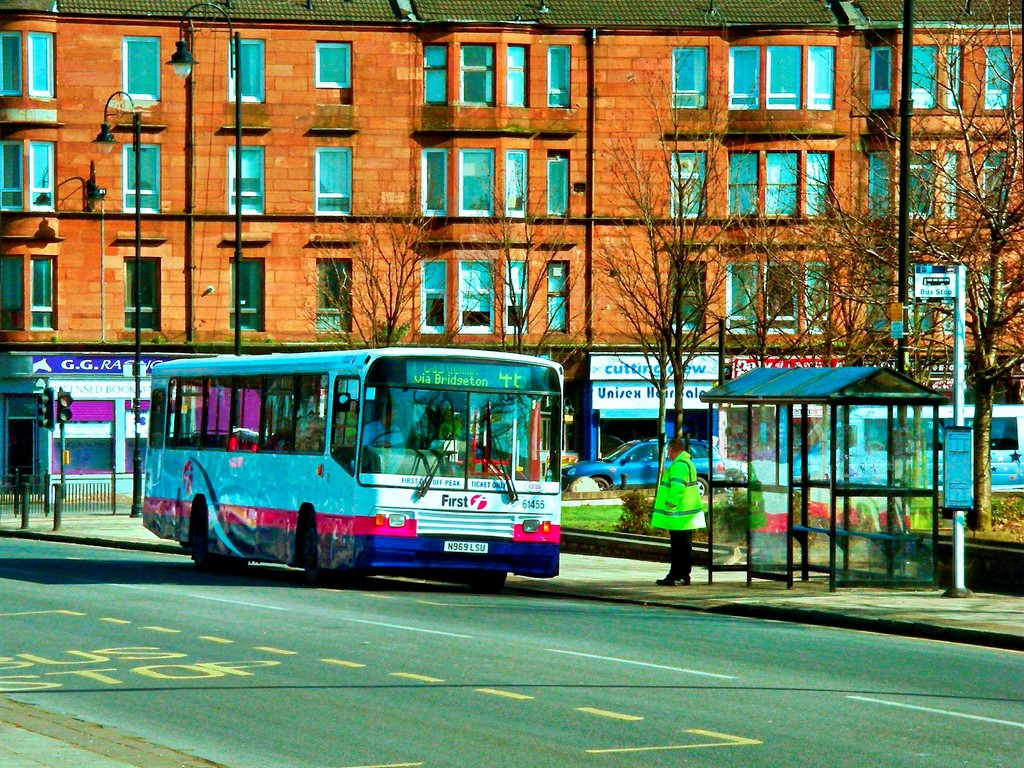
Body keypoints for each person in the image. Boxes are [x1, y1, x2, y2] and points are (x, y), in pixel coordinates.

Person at [651, 436, 706, 586]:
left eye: (668, 450)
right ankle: (679, 575)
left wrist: (669, 505)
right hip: (686, 515)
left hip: (679, 515)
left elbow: (678, 488)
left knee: (679, 548)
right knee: (683, 547)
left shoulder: (679, 466)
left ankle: (677, 575)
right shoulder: (687, 463)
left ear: (672, 450)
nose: (668, 454)